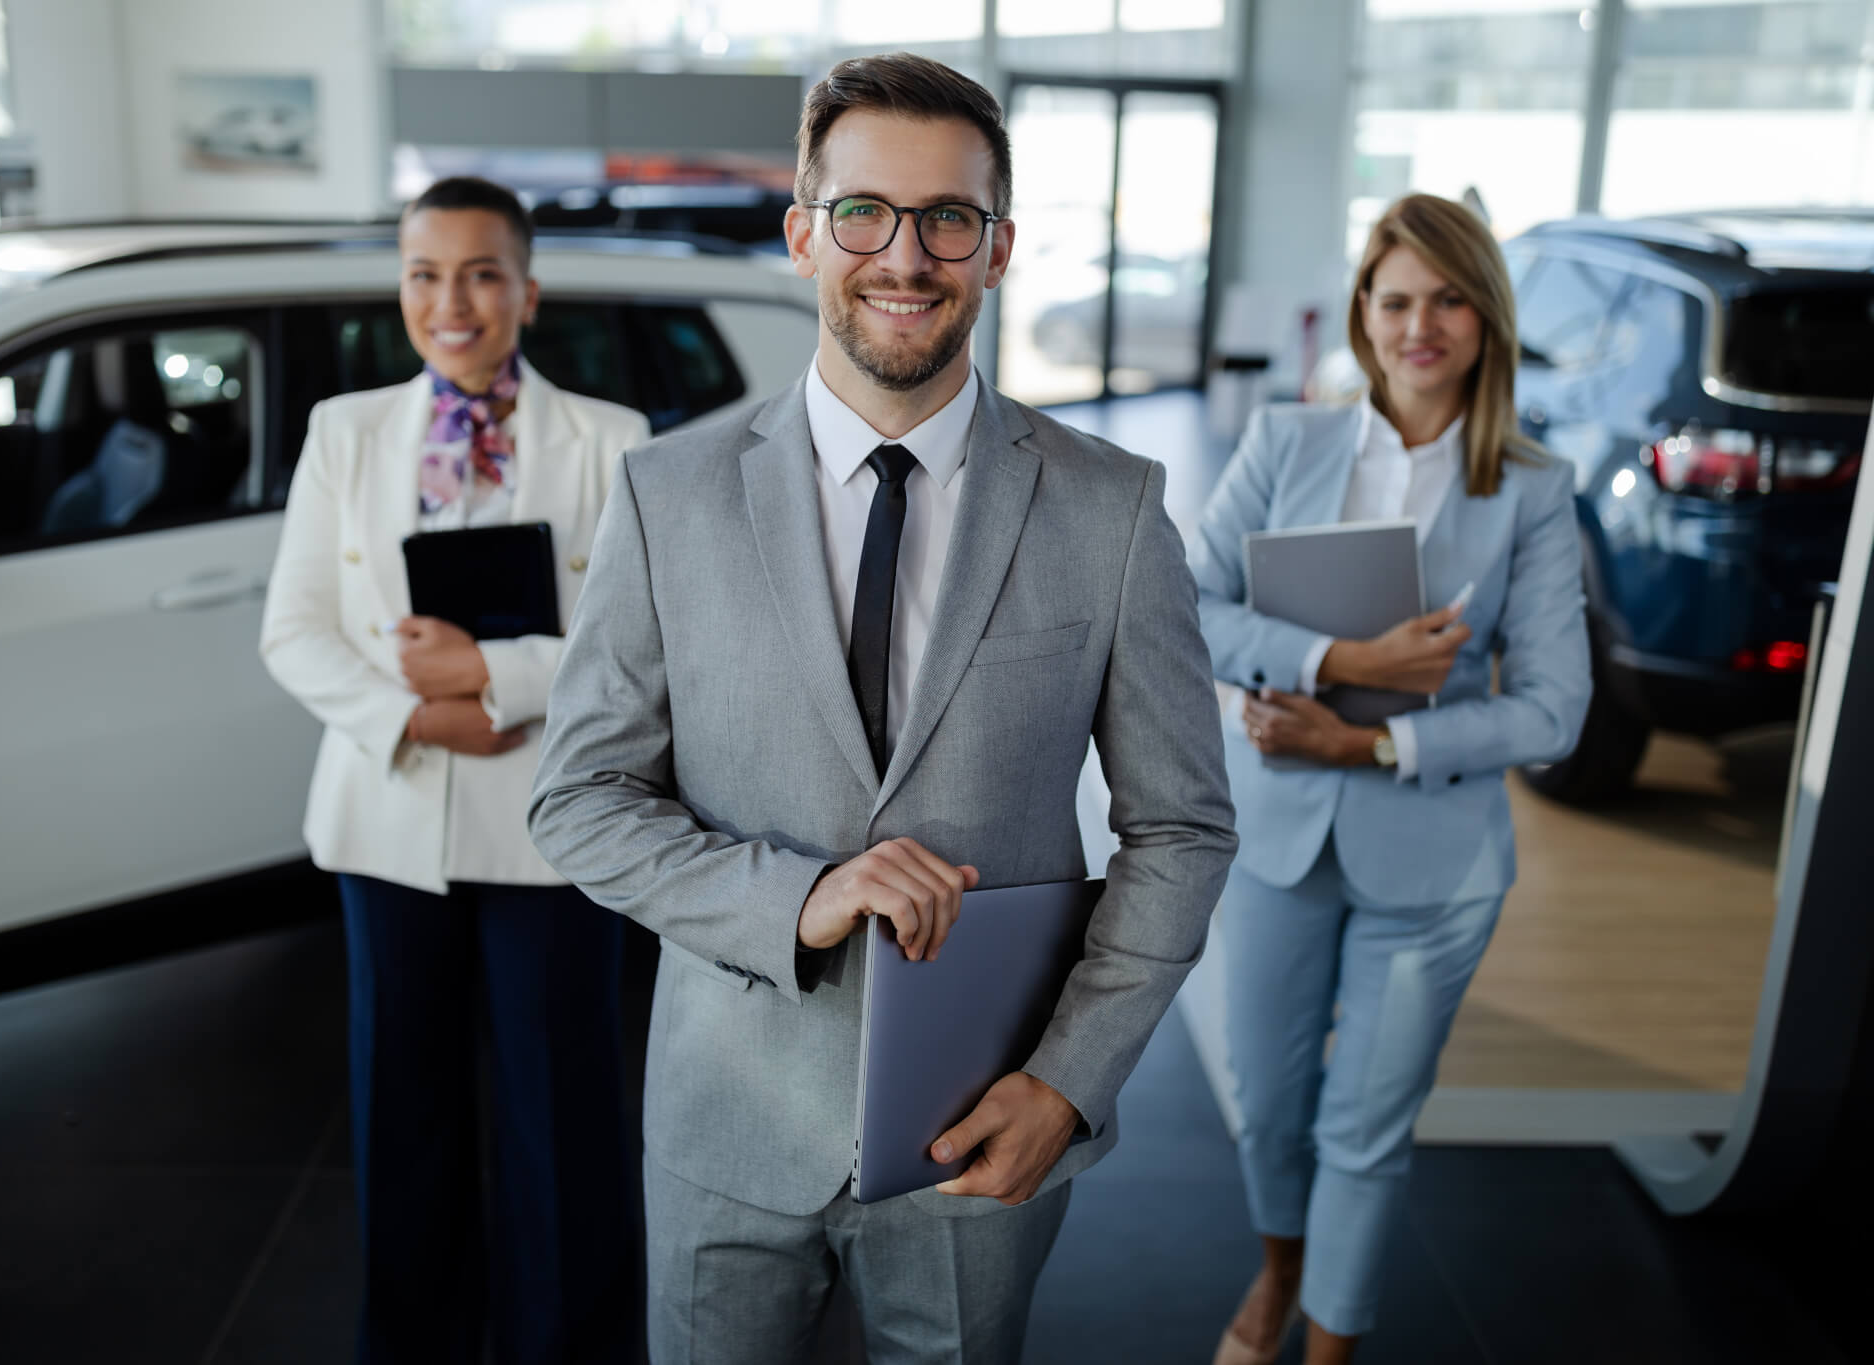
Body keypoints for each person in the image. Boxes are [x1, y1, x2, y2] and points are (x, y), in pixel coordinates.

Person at [528, 52, 1237, 1365]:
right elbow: (575, 798)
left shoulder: (1113, 510)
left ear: (999, 247)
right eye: (864, 212)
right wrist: (795, 898)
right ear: (804, 232)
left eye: (948, 218)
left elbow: (1184, 832)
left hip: (985, 1126)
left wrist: (1069, 1083)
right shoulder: (665, 497)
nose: (904, 256)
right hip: (726, 1124)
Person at [1187, 193, 1592, 1365]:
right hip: (1276, 837)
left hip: (1435, 854)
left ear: (1484, 317)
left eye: (1449, 299)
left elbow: (1554, 710)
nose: (1422, 325)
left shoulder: (1530, 487)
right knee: (1268, 1105)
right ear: (1362, 314)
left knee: (1364, 1127)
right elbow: (1186, 602)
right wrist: (1336, 663)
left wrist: (1370, 739)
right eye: (1397, 298)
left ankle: (1327, 1347)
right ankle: (1276, 1274)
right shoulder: (1287, 443)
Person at [259, 176, 650, 1364]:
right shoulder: (346, 431)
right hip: (387, 825)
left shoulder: (610, 442)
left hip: (551, 827)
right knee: (402, 1122)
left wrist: (493, 677)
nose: (453, 302)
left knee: (561, 1126)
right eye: (426, 274)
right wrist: (419, 720)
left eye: (482, 273)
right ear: (401, 290)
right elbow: (293, 631)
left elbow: (630, 644)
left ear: (527, 291)